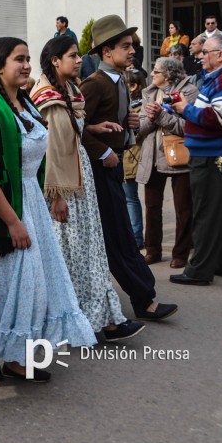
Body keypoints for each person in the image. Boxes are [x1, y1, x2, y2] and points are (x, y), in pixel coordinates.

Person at [0, 36, 96, 384]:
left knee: (28, 285)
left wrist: (54, 196)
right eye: (19, 59)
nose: (27, 65)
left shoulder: (26, 104)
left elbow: (38, 155)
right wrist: (13, 222)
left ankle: (15, 358)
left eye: (29, 58)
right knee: (9, 284)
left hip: (31, 200)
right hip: (3, 207)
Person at [31, 36, 144, 341]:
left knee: (88, 250)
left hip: (79, 177)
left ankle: (99, 319)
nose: (79, 60)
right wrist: (56, 197)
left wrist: (93, 127)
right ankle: (83, 321)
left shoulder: (69, 90)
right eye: (72, 55)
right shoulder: (49, 96)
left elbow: (71, 130)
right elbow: (52, 149)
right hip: (65, 184)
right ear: (55, 60)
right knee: (75, 253)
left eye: (78, 55)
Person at [79, 14, 179, 320]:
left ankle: (139, 297)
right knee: (118, 237)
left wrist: (128, 125)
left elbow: (108, 123)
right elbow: (75, 129)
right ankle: (142, 299)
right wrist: (104, 150)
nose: (132, 50)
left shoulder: (120, 80)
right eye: (125, 45)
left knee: (117, 235)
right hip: (99, 170)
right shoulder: (94, 84)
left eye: (131, 44)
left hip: (114, 167)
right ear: (106, 52)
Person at [169, 35, 222, 285]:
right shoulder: (220, 78)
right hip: (214, 153)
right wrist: (179, 108)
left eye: (205, 52)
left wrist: (186, 110)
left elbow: (219, 119)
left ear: (220, 55)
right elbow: (209, 114)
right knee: (219, 212)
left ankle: (199, 271)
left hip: (213, 154)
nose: (200, 57)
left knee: (206, 213)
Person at [136, 57, 199, 269]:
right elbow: (142, 127)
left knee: (183, 208)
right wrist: (151, 118)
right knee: (151, 207)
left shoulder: (189, 92)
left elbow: (188, 126)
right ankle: (152, 250)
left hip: (179, 155)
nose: (152, 74)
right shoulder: (150, 92)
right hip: (152, 156)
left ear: (169, 74)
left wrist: (161, 116)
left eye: (156, 71)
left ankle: (180, 253)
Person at [122, 69, 147, 250]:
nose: (128, 88)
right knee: (124, 199)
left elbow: (136, 134)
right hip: (123, 159)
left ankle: (136, 237)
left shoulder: (140, 106)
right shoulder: (125, 103)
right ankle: (129, 235)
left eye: (130, 85)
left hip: (132, 158)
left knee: (131, 198)